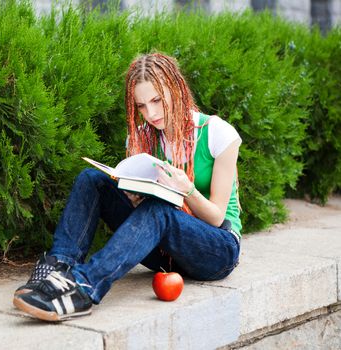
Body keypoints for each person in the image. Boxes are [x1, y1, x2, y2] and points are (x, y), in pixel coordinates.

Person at [13, 52, 242, 322]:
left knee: (160, 211)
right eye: (142, 105)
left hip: (216, 249)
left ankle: (82, 286)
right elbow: (144, 213)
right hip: (164, 251)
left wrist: (187, 190)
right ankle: (58, 269)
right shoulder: (142, 138)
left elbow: (217, 218)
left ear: (177, 88)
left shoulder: (217, 133)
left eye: (157, 100)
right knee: (91, 179)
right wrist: (134, 198)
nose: (151, 113)